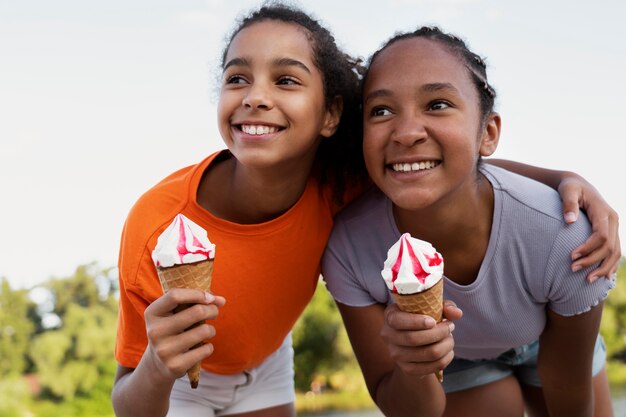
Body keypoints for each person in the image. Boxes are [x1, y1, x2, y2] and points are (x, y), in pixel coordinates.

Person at [111, 3, 620, 416]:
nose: (256, 98)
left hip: (266, 361)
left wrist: (565, 181)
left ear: (331, 114)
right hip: (175, 377)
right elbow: (128, 400)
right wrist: (159, 363)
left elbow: (446, 164)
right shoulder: (161, 227)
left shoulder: (343, 180)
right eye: (237, 78)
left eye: (285, 80)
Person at [321, 26, 618, 417]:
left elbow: (569, 389)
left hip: (550, 337)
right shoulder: (349, 249)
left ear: (488, 132)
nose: (407, 132)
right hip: (454, 361)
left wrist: (564, 175)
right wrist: (416, 367)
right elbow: (402, 405)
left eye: (438, 104)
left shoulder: (563, 236)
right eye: (381, 110)